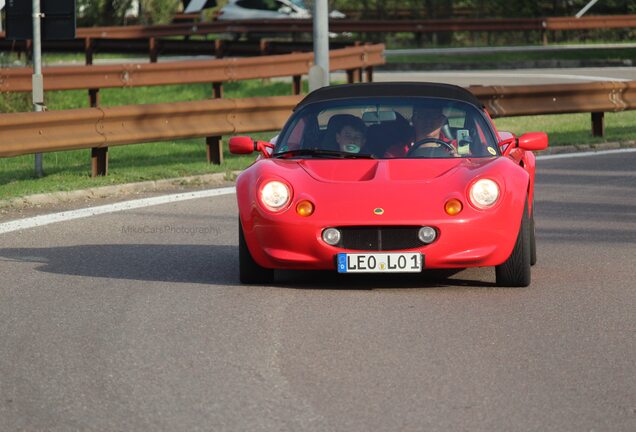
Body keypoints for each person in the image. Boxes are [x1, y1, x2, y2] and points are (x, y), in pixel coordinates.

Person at [384, 103, 458, 158]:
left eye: (434, 116)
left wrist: (460, 161)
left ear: (442, 120)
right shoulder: (396, 152)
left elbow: (467, 170)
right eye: (422, 116)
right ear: (413, 120)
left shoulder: (457, 146)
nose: (428, 121)